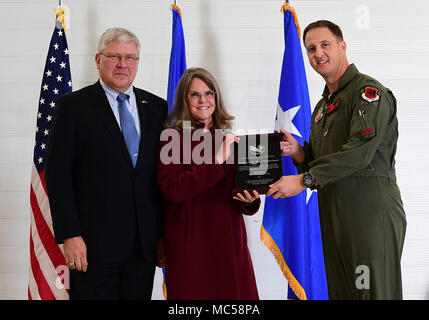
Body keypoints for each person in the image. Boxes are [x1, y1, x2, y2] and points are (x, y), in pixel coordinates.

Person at [266, 20, 407, 299]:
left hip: (367, 215)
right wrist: (299, 152)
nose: (318, 53)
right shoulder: (324, 106)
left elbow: (359, 152)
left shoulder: (367, 93)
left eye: (325, 45)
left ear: (342, 47)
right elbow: (323, 159)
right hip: (334, 214)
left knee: (368, 293)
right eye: (311, 48)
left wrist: (303, 180)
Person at [45, 27, 168, 299]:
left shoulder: (157, 107)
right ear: (98, 60)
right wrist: (70, 234)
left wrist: (161, 234)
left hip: (143, 247)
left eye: (130, 58)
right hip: (92, 246)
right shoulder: (73, 107)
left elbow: (161, 177)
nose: (123, 64)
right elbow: (58, 176)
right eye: (115, 57)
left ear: (137, 62)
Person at [157, 67, 260, 299]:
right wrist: (216, 160)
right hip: (189, 241)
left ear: (216, 97)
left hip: (228, 238)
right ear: (185, 99)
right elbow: (173, 190)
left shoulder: (230, 138)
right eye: (194, 94)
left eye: (208, 93)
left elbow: (239, 191)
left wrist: (251, 201)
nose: (203, 100)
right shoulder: (171, 138)